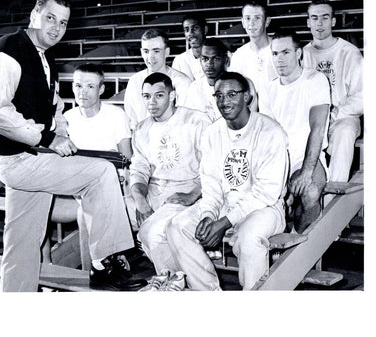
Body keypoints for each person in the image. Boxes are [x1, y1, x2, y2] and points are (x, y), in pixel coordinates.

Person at [0, 0, 146, 292]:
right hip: (19, 159)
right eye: (50, 18)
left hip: (31, 157)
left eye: (63, 23)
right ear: (34, 14)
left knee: (22, 242)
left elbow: (53, 106)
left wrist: (61, 131)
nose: (56, 28)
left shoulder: (43, 58)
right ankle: (104, 264)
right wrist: (49, 137)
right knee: (101, 172)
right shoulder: (7, 53)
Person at [166, 72, 288, 290]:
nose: (224, 102)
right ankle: (208, 292)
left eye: (232, 94)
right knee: (178, 226)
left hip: (265, 208)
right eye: (219, 96)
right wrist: (208, 215)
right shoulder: (212, 133)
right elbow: (211, 184)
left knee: (249, 239)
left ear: (247, 97)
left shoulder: (271, 131)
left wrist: (224, 223)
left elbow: (266, 192)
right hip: (224, 204)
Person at [42, 62, 137, 267]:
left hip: (110, 190)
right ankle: (46, 267)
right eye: (78, 85)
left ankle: (91, 274)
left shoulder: (116, 116)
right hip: (73, 190)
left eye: (90, 86)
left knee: (85, 212)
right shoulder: (67, 118)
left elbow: (127, 160)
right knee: (35, 206)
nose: (82, 92)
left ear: (101, 89)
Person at [129, 72, 211, 290]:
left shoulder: (196, 121)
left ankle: (176, 281)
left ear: (172, 95)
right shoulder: (142, 128)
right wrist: (139, 199)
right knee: (104, 209)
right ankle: (107, 272)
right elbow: (138, 169)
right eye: (146, 97)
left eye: (159, 96)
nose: (152, 103)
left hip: (187, 190)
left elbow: (211, 167)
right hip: (153, 191)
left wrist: (194, 193)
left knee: (150, 232)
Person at [260, 30, 331, 233]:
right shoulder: (268, 88)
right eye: (275, 54)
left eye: (285, 52)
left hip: (306, 155)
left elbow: (317, 129)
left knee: (310, 192)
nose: (279, 60)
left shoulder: (315, 80)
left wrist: (307, 171)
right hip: (278, 158)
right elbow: (268, 135)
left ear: (299, 53)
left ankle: (298, 244)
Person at [302, 0, 363, 182]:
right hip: (311, 120)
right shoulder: (302, 54)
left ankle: (334, 193)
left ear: (333, 22)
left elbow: (362, 98)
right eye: (314, 18)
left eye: (324, 18)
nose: (319, 24)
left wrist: (335, 113)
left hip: (342, 118)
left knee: (344, 132)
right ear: (308, 22)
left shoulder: (349, 52)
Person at [124, 28, 191, 130]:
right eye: (146, 51)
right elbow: (131, 119)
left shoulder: (182, 82)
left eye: (156, 51)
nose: (150, 57)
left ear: (167, 52)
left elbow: (184, 120)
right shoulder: (134, 81)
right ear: (141, 52)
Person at [185, 38, 257, 121]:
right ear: (200, 61)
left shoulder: (243, 84)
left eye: (216, 59)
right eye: (205, 59)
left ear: (226, 60)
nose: (209, 64)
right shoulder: (194, 88)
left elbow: (249, 120)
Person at [228, 1, 277, 105]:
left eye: (257, 18)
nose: (251, 23)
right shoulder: (238, 55)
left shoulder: (279, 48)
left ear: (267, 21)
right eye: (247, 18)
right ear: (242, 22)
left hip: (278, 108)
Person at [171, 14, 208, 81]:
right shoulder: (179, 61)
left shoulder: (220, 55)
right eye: (187, 30)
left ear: (205, 30)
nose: (190, 33)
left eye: (195, 28)